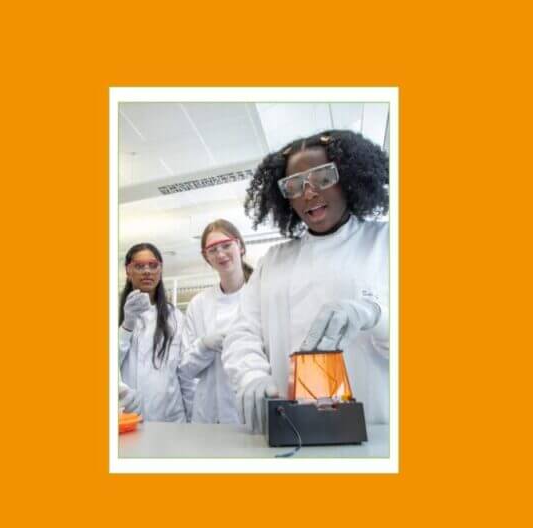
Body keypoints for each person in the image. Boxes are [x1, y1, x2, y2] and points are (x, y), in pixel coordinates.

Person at [221, 130, 392, 434]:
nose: (308, 193)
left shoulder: (387, 241)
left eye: (323, 178)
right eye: (295, 186)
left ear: (349, 178)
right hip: (291, 430)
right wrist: (251, 376)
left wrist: (376, 315)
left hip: (376, 432)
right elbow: (242, 332)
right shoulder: (273, 261)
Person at [173, 220, 254, 424]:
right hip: (209, 413)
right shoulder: (198, 304)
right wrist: (203, 346)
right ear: (206, 257)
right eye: (212, 250)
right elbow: (185, 369)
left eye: (226, 245)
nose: (220, 254)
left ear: (240, 246)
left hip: (249, 410)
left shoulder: (260, 295)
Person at [118, 243, 191, 422]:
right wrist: (126, 326)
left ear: (160, 269)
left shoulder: (175, 317)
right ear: (128, 270)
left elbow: (186, 373)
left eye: (153, 265)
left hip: (171, 419)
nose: (147, 271)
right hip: (129, 418)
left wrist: (194, 417)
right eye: (139, 266)